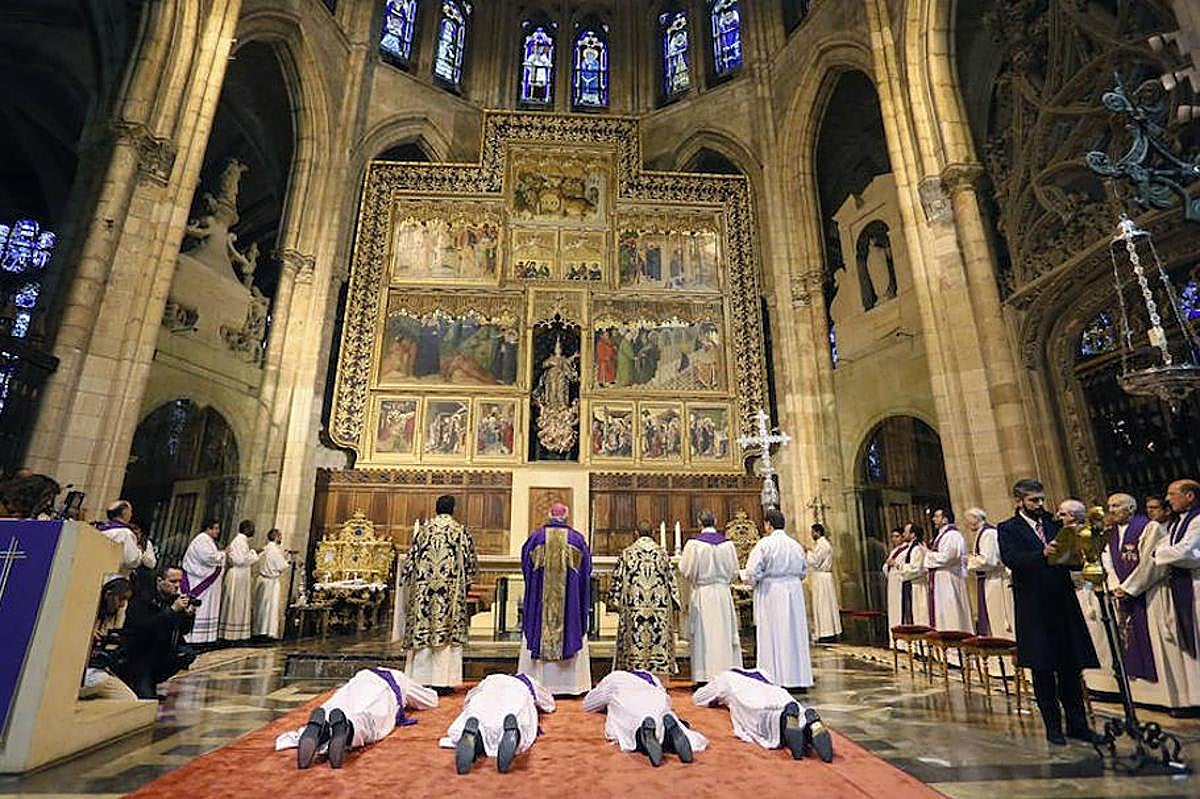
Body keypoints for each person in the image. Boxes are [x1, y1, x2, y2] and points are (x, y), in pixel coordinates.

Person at [998, 479, 1101, 745]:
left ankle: (1078, 725)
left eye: (1042, 499)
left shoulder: (1055, 525)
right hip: (1033, 604)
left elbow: (1072, 560)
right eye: (1033, 500)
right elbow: (1011, 558)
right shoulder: (1008, 528)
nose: (1040, 505)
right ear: (1019, 501)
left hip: (1062, 600)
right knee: (1043, 668)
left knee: (1070, 666)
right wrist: (1041, 553)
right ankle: (1052, 727)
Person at [275, 668, 438, 769]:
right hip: (383, 690)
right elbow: (429, 700)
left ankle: (319, 728)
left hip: (355, 684)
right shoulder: (400, 678)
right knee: (368, 717)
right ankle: (348, 728)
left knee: (337, 705)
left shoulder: (364, 673)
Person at [399, 495, 478, 690]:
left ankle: (419, 679)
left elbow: (409, 563)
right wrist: (465, 585)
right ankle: (444, 681)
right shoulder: (459, 531)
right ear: (453, 509)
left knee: (424, 631)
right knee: (445, 635)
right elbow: (470, 565)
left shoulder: (424, 531)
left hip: (424, 594)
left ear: (436, 509)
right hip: (448, 595)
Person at [518, 502, 593, 695]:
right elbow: (586, 572)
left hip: (542, 607)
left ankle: (539, 684)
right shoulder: (577, 540)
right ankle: (571, 686)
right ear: (566, 517)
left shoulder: (535, 539)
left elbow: (526, 569)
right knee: (570, 620)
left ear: (548, 516)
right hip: (568, 608)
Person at [692, 668, 833, 762]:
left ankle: (786, 721)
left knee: (760, 714)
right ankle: (811, 723)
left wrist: (716, 700)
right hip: (778, 694)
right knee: (791, 708)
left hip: (749, 696)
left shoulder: (726, 677)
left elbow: (698, 698)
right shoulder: (763, 672)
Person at [742, 509, 812, 689]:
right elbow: (804, 570)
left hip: (772, 592)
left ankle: (775, 678)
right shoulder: (795, 545)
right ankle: (798, 679)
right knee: (794, 634)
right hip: (794, 591)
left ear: (768, 524)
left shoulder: (765, 544)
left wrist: (752, 581)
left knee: (774, 634)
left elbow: (752, 571)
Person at [583, 669, 708, 766]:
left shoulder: (615, 677)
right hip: (655, 697)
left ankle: (642, 737)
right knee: (663, 717)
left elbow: (589, 704)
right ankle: (669, 736)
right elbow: (667, 699)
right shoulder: (653, 679)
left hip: (628, 699)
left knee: (626, 727)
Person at [440, 672, 555, 774]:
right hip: (518, 691)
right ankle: (514, 735)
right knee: (520, 715)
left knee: (478, 713)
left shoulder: (490, 678)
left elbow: (470, 698)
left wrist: (468, 708)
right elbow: (549, 704)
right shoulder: (527, 679)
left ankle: (476, 737)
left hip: (489, 691)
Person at [678, 510, 742, 684]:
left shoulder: (694, 545)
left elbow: (684, 570)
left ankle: (704, 676)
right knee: (723, 634)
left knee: (704, 636)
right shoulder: (728, 545)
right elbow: (735, 571)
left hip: (703, 594)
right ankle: (725, 673)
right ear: (716, 521)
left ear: (699, 523)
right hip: (722, 593)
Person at [1152, 479, 1200, 707]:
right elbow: (1162, 547)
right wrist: (1165, 552)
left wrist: (1163, 553)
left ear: (1189, 496)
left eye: (1172, 494)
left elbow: (1189, 552)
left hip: (1196, 585)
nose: (1168, 499)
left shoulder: (1197, 520)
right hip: (1182, 586)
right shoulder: (1175, 524)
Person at [608, 521, 678, 676]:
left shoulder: (627, 553)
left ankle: (633, 672)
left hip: (635, 607)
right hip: (658, 607)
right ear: (653, 533)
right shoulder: (662, 554)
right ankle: (659, 672)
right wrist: (675, 602)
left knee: (635, 638)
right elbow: (671, 582)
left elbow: (618, 580)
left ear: (635, 533)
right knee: (657, 637)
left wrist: (614, 600)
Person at [118, 565, 196, 699]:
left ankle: (152, 680)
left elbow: (183, 630)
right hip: (139, 652)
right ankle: (137, 682)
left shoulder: (174, 599)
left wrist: (188, 615)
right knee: (145, 699)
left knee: (186, 654)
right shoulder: (142, 599)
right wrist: (171, 611)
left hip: (161, 649)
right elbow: (146, 628)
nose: (177, 586)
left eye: (179, 582)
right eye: (172, 581)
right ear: (160, 581)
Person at [1058, 500, 1112, 680]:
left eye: (1063, 514)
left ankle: (1104, 680)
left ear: (1073, 516)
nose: (1058, 516)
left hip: (1088, 590)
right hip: (1074, 591)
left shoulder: (1085, 533)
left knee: (1097, 634)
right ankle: (1091, 681)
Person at [81, 575, 138, 701]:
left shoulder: (116, 614)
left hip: (98, 669)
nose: (122, 604)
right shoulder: (88, 610)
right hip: (78, 670)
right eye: (121, 599)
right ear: (108, 595)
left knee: (129, 700)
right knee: (99, 681)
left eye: (126, 600)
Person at [964, 508, 1014, 637]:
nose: (967, 523)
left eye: (968, 520)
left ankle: (1006, 648)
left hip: (996, 579)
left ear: (976, 518)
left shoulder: (988, 533)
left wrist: (969, 560)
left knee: (999, 615)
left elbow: (988, 560)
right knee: (992, 614)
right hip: (988, 579)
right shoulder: (983, 533)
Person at [924, 509, 972, 632]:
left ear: (945, 519)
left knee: (952, 610)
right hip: (942, 578)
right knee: (944, 611)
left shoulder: (952, 535)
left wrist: (928, 554)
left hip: (950, 578)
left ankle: (955, 644)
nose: (934, 519)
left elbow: (948, 557)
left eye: (936, 516)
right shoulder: (942, 534)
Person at [182, 519, 225, 645]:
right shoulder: (201, 540)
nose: (218, 531)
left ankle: (205, 637)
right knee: (201, 606)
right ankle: (196, 638)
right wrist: (222, 554)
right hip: (199, 579)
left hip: (204, 579)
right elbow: (208, 558)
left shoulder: (207, 540)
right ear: (208, 529)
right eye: (216, 528)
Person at [219, 520, 259, 641]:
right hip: (237, 575)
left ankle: (236, 633)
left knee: (239, 604)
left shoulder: (241, 541)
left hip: (241, 575)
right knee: (235, 605)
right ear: (246, 529)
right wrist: (254, 554)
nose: (254, 530)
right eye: (252, 528)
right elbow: (240, 560)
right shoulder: (240, 541)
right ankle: (231, 634)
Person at [96, 500, 154, 573]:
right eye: (130, 511)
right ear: (124, 512)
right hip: (116, 574)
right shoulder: (125, 533)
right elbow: (131, 560)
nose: (131, 515)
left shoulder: (100, 530)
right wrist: (140, 552)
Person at [806, 523, 842, 642]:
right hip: (820, 577)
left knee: (824, 605)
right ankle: (824, 632)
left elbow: (815, 561)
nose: (811, 535)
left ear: (818, 532)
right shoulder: (821, 544)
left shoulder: (823, 544)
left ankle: (827, 632)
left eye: (812, 532)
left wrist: (807, 552)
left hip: (822, 578)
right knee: (822, 605)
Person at [253, 529, 290, 638]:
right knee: (270, 608)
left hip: (262, 579)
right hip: (271, 582)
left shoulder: (265, 548)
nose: (281, 538)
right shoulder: (274, 550)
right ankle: (267, 632)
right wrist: (287, 559)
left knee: (261, 607)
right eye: (280, 536)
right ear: (276, 537)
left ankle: (258, 630)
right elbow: (281, 566)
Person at [895, 524, 929, 634]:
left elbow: (917, 568)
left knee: (920, 614)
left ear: (913, 534)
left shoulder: (917, 548)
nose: (904, 534)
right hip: (911, 585)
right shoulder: (911, 547)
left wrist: (900, 566)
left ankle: (922, 643)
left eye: (906, 532)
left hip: (917, 586)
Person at [883, 527, 909, 645]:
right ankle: (894, 641)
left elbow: (907, 567)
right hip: (892, 583)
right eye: (892, 537)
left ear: (903, 537)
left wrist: (895, 564)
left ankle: (903, 641)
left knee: (900, 611)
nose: (894, 539)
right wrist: (887, 565)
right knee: (893, 611)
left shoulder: (907, 550)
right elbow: (886, 567)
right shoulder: (894, 551)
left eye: (897, 536)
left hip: (900, 582)